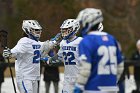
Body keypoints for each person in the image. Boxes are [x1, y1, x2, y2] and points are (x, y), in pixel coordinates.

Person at [2, 20, 61, 93]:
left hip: (34, 77)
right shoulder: (24, 41)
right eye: (36, 30)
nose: (38, 32)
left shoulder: (36, 42)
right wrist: (9, 53)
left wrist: (54, 41)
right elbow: (15, 51)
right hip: (25, 77)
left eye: (39, 30)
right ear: (28, 30)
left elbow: (45, 46)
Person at [73, 8, 124, 93]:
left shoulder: (87, 40)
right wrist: (112, 81)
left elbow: (85, 69)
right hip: (111, 88)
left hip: (93, 88)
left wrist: (79, 86)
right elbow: (120, 66)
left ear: (88, 22)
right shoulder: (112, 39)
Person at [47, 19, 83, 93]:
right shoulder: (63, 42)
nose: (64, 32)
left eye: (67, 30)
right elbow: (59, 56)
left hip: (79, 79)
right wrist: (49, 60)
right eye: (63, 30)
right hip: (67, 79)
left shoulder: (81, 41)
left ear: (74, 29)